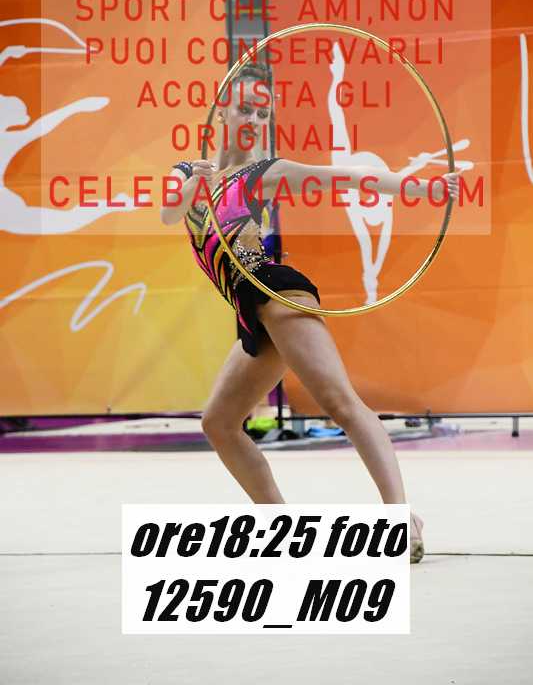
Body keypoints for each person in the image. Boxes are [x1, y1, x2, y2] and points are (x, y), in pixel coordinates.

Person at [161, 62, 459, 564]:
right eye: (245, 108)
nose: (254, 120)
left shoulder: (264, 173)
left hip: (276, 294)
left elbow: (344, 178)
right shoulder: (190, 172)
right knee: (219, 422)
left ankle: (402, 519)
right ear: (222, 110)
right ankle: (281, 526)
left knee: (340, 403)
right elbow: (169, 212)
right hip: (250, 312)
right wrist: (193, 183)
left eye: (263, 113)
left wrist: (421, 190)